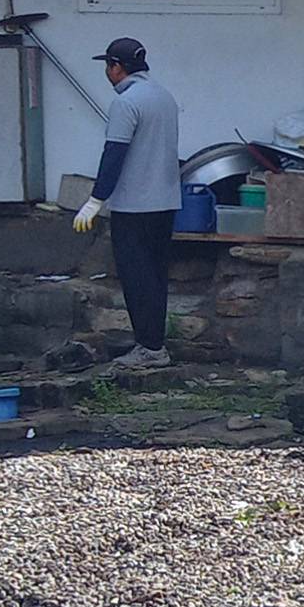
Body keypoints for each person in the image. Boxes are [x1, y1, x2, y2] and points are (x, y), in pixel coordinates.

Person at [72, 37, 183, 371]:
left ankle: (148, 348)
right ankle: (154, 342)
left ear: (117, 67)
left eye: (108, 65)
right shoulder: (164, 97)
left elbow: (114, 154)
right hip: (165, 202)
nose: (107, 72)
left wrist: (95, 200)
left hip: (134, 205)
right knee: (156, 276)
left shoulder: (126, 102)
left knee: (136, 278)